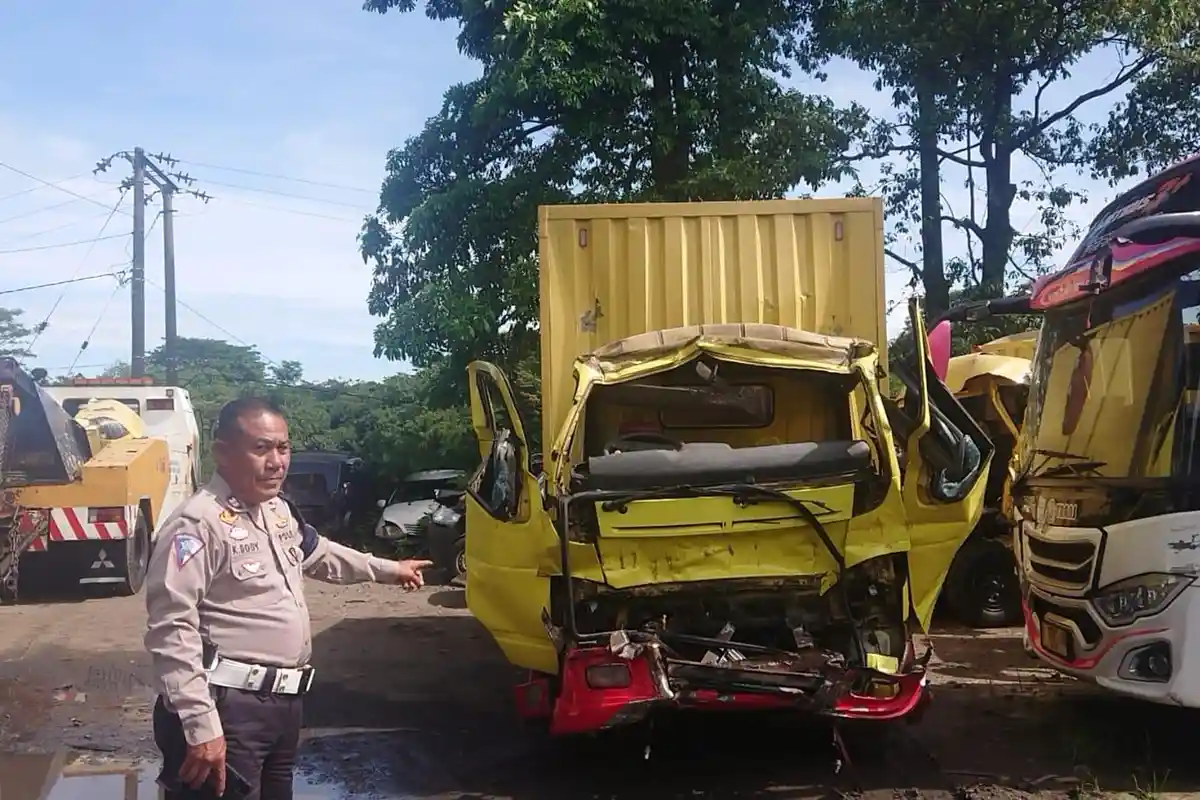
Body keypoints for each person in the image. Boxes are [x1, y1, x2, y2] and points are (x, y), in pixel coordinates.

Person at [144, 397, 432, 800]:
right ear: (222, 452)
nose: (276, 462)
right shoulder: (196, 524)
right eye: (261, 448)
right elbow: (172, 627)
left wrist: (389, 569)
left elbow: (321, 554)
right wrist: (199, 723)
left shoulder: (277, 511)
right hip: (227, 708)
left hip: (282, 707)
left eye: (283, 448)